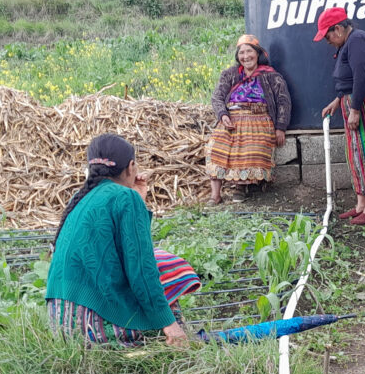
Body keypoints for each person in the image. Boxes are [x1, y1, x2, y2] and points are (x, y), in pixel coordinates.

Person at [46, 134, 191, 347]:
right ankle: (172, 338)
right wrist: (169, 324)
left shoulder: (81, 197)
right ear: (131, 166)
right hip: (92, 327)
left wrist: (139, 201)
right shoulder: (124, 197)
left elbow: (121, 245)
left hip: (60, 323)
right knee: (169, 270)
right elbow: (141, 268)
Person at [314, 7, 365, 226]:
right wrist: (339, 100)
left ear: (337, 28)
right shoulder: (348, 42)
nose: (326, 41)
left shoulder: (357, 40)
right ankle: (360, 205)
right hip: (354, 100)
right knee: (355, 152)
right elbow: (347, 79)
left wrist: (355, 109)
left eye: (327, 35)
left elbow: (361, 76)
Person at [206, 34, 292, 205]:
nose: (246, 57)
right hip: (231, 118)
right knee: (216, 146)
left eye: (249, 51)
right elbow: (217, 97)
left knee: (248, 148)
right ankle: (215, 195)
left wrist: (280, 127)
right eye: (241, 53)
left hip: (258, 119)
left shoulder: (271, 76)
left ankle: (240, 187)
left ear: (258, 53)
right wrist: (223, 115)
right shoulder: (230, 74)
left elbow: (284, 100)